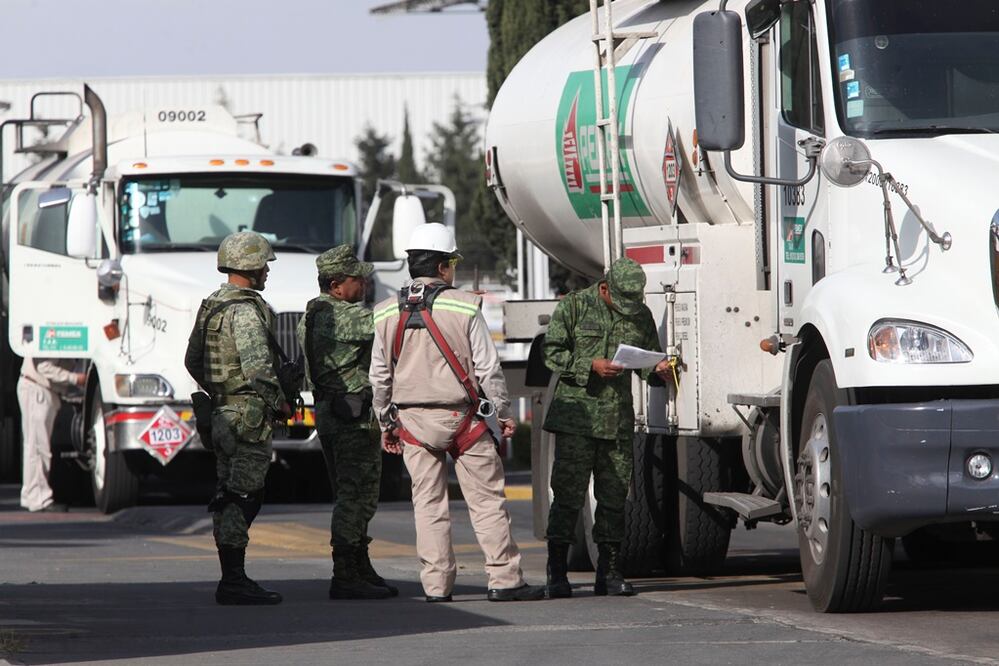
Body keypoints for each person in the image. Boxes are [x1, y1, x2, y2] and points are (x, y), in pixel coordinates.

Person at [370, 223, 544, 603]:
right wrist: (499, 413)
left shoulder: (383, 313)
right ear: (445, 266)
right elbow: (488, 368)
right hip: (465, 420)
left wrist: (386, 422)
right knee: (486, 503)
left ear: (412, 264)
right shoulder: (465, 305)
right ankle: (505, 580)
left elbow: (379, 376)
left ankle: (436, 586)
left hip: (413, 423)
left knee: (428, 507)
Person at [542, 257, 673, 598]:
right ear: (605, 287)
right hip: (577, 421)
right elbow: (552, 353)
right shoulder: (575, 306)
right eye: (622, 299)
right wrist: (590, 365)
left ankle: (610, 571)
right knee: (568, 498)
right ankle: (556, 572)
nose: (630, 307)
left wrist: (655, 370)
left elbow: (644, 360)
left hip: (616, 421)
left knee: (614, 498)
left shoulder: (639, 315)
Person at [185, 230, 292, 605]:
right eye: (263, 264)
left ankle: (231, 574)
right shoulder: (245, 310)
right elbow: (259, 369)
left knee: (228, 490)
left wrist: (220, 388)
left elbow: (192, 361)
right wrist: (279, 403)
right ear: (249, 266)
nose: (267, 271)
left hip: (220, 414)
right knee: (244, 494)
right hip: (247, 416)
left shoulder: (211, 304)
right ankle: (233, 580)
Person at [297, 244, 394, 600]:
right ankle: (345, 573)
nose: (364, 285)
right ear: (337, 285)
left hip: (333, 413)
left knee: (356, 495)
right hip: (350, 417)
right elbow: (390, 322)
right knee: (355, 497)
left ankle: (359, 564)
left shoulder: (312, 314)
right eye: (358, 280)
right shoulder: (344, 316)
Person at [18, 357, 85, 512]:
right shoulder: (51, 336)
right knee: (38, 448)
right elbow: (44, 367)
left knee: (33, 447)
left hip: (36, 388)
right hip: (38, 388)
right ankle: (40, 498)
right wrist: (75, 379)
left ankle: (32, 494)